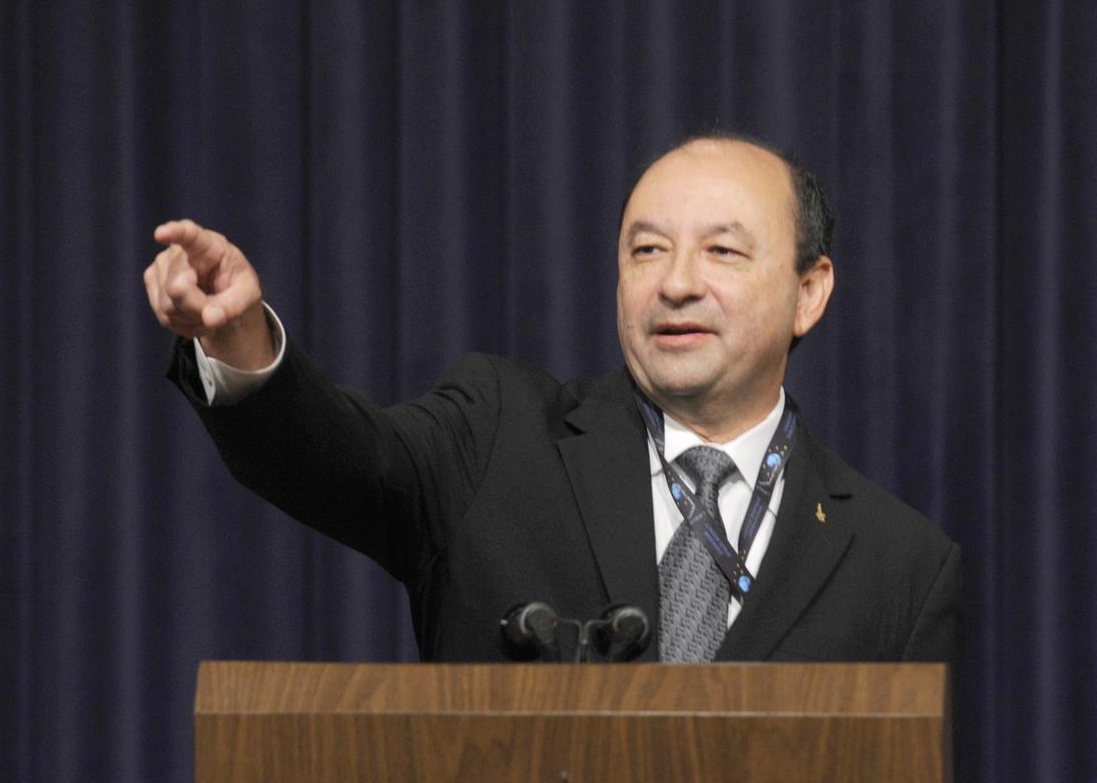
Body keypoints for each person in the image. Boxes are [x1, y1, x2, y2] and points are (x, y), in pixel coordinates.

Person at [143, 133, 962, 663]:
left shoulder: (900, 566)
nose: (676, 283)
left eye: (721, 251)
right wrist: (239, 340)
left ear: (809, 291)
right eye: (647, 250)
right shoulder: (496, 437)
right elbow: (337, 458)